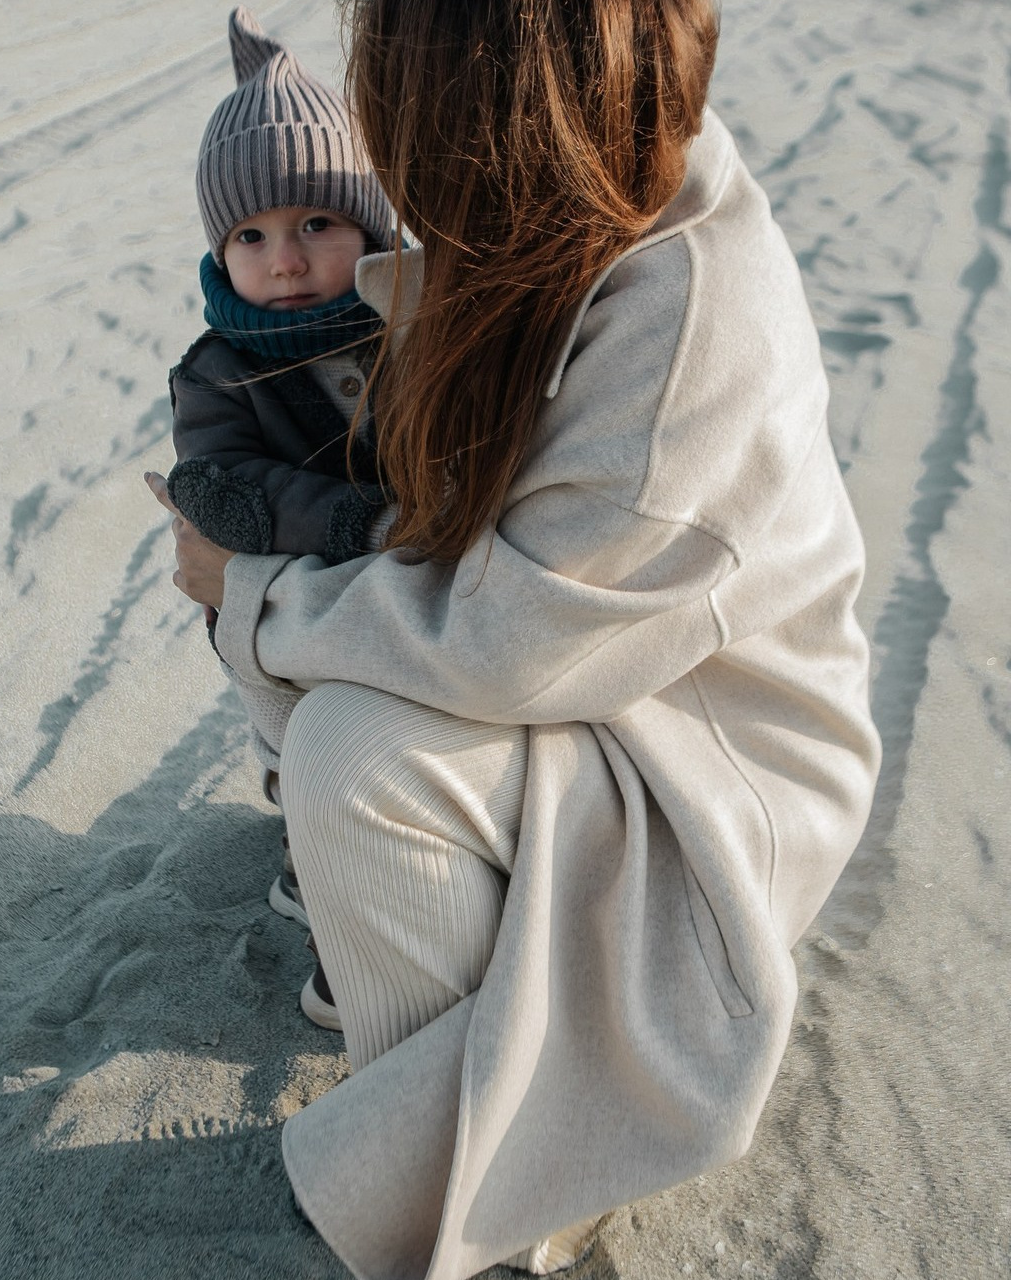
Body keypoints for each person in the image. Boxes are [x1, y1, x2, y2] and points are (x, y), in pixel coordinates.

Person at [147, 0, 881, 1276]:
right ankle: (431, 1053)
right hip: (612, 678)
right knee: (340, 739)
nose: (391, 134)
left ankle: (484, 1183)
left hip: (710, 764)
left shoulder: (679, 323)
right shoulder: (575, 218)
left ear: (488, 109)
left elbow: (502, 644)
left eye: (406, 102)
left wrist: (251, 592)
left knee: (355, 757)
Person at [166, 6, 396, 964]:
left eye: (316, 222)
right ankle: (310, 851)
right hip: (266, 606)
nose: (287, 260)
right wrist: (353, 520)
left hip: (395, 587)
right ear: (221, 254)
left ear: (371, 224)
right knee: (293, 729)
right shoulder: (218, 368)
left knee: (392, 719)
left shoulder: (412, 330)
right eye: (251, 236)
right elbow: (217, 481)